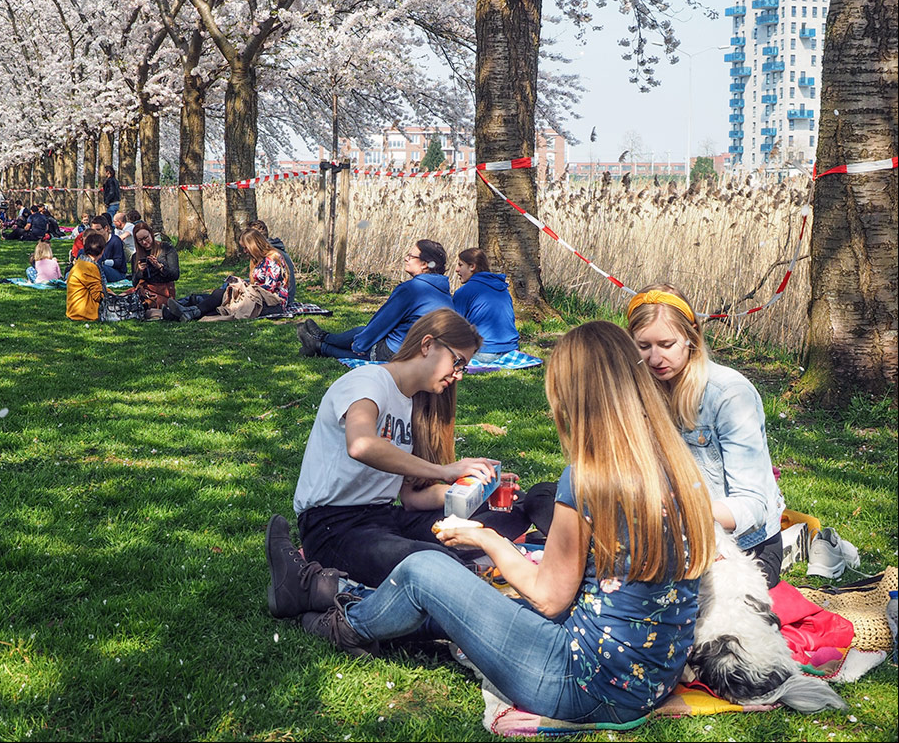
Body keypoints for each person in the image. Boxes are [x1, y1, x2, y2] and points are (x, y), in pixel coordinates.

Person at [273, 320, 716, 725]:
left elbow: (549, 599)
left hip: (584, 683)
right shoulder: (676, 465)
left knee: (425, 570)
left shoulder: (588, 479)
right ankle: (337, 600)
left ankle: (341, 623)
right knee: (463, 597)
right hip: (653, 677)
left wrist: (484, 537)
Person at [268, 308, 555, 591]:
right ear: (428, 345)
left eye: (463, 367)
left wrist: (477, 490)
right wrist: (444, 471)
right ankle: (310, 588)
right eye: (457, 362)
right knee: (436, 564)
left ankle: (573, 558)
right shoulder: (368, 382)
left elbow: (411, 499)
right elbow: (360, 444)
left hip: (385, 518)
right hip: (333, 527)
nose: (459, 375)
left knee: (523, 505)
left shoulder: (417, 403)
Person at [627, 284, 786, 587]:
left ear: (691, 336)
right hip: (668, 537)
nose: (655, 358)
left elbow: (753, 505)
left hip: (743, 547)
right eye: (644, 347)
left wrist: (677, 509)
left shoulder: (729, 394)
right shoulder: (638, 391)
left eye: (666, 344)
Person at [298, 240, 453, 360]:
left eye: (411, 256)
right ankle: (323, 337)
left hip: (402, 351)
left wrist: (360, 345)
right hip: (432, 352)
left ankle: (319, 345)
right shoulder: (444, 291)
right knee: (363, 333)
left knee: (365, 340)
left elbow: (383, 321)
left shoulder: (412, 289)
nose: (406, 258)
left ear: (425, 264)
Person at [163, 228, 288, 321]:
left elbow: (269, 287)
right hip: (256, 297)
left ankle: (184, 312)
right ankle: (187, 313)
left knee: (223, 298)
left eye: (246, 248)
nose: (244, 252)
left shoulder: (273, 258)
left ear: (254, 245)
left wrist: (243, 286)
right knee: (224, 298)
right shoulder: (257, 260)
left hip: (272, 302)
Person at [452, 247, 519, 361]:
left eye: (460, 265)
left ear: (472, 266)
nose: (456, 269)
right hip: (511, 350)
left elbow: (453, 327)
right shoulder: (502, 288)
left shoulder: (464, 291)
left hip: (485, 352)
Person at [247, 219, 297, 310]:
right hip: (271, 291)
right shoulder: (264, 253)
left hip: (279, 297)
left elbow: (271, 286)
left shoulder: (273, 256)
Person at [130, 221, 180, 311]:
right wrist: (140, 272)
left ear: (151, 234)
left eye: (146, 238)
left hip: (163, 291)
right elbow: (134, 282)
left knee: (146, 303)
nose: (144, 242)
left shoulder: (166, 248)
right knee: (125, 297)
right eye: (140, 240)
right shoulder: (136, 256)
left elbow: (175, 275)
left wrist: (160, 267)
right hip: (144, 290)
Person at [66, 231, 108, 321]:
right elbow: (98, 296)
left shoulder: (81, 262)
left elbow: (96, 287)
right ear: (102, 250)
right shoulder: (90, 267)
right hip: (84, 313)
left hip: (74, 310)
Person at [93, 213, 127, 283]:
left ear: (106, 228)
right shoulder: (95, 241)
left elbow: (118, 262)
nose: (95, 233)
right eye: (93, 230)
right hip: (101, 268)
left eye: (98, 229)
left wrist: (104, 262)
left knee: (98, 266)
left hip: (118, 273)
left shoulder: (115, 241)